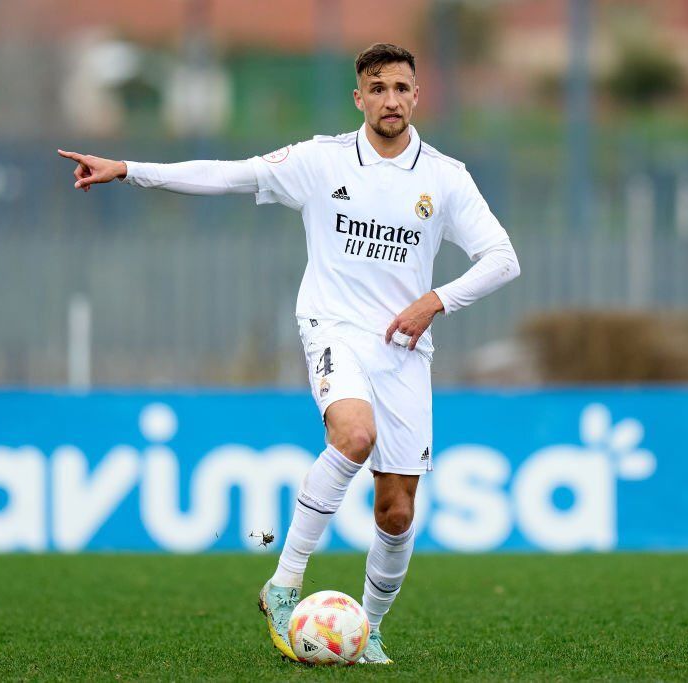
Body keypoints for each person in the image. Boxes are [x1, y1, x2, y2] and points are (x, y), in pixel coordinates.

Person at [58, 42, 519, 665]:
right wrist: (131, 168)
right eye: (377, 88)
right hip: (332, 327)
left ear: (417, 95)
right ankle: (284, 581)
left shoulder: (445, 177)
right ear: (359, 98)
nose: (390, 99)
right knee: (353, 436)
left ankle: (370, 628)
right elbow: (231, 173)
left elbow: (502, 259)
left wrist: (435, 300)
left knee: (397, 510)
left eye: (401, 88)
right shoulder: (321, 161)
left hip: (406, 347)